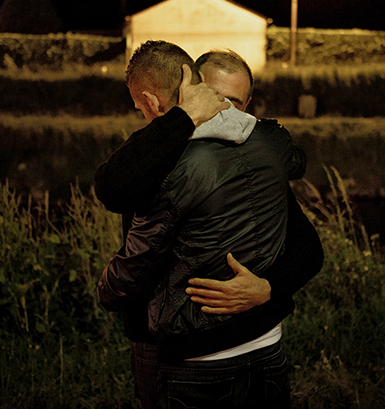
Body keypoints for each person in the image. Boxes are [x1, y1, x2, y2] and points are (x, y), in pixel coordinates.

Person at [95, 41, 322, 408]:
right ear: (194, 90)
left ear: (248, 106)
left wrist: (267, 288)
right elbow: (115, 188)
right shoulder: (161, 151)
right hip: (209, 344)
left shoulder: (250, 152)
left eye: (235, 103)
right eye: (213, 97)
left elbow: (308, 249)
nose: (223, 112)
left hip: (201, 351)